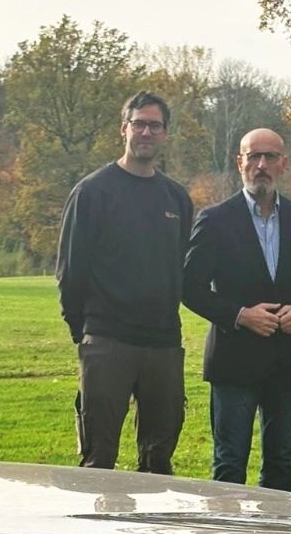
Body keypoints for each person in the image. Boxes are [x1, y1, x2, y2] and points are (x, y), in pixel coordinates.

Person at [56, 91, 193, 474]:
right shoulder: (93, 192)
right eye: (139, 124)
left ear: (165, 134)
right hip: (107, 341)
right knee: (99, 460)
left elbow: (182, 265)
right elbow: (70, 270)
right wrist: (84, 333)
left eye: (155, 125)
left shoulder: (176, 198)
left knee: (158, 460)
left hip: (163, 345)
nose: (146, 132)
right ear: (124, 129)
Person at [182, 128, 291, 490]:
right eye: (253, 157)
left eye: (270, 157)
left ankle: (277, 529)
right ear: (239, 163)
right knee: (230, 464)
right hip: (234, 361)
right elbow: (189, 288)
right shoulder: (215, 220)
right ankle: (231, 529)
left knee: (282, 462)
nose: (261, 165)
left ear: (284, 164)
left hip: (287, 359)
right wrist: (240, 315)